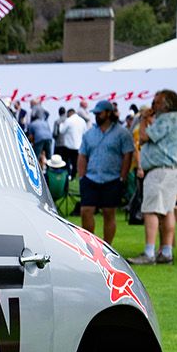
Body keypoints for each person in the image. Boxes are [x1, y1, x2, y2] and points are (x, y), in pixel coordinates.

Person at [128, 89, 177, 266]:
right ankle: (166, 252)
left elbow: (144, 136)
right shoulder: (175, 118)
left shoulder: (169, 118)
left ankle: (149, 253)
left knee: (151, 210)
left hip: (161, 171)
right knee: (167, 211)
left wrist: (144, 118)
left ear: (167, 104)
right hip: (171, 169)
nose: (154, 105)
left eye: (157, 102)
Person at [76, 99, 135, 246]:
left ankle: (107, 247)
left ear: (109, 113)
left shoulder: (122, 133)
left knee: (109, 213)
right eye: (95, 113)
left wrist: (122, 177)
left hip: (113, 179)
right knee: (86, 211)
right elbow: (82, 155)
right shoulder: (89, 134)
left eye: (99, 113)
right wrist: (82, 176)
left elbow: (128, 155)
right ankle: (90, 245)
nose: (96, 116)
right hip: (91, 178)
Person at [57, 105, 88, 181]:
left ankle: (67, 175)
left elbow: (62, 131)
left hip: (68, 145)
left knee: (66, 161)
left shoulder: (69, 120)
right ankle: (74, 176)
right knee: (75, 162)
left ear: (69, 113)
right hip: (78, 145)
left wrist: (61, 125)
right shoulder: (82, 120)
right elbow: (85, 132)